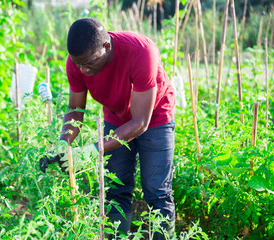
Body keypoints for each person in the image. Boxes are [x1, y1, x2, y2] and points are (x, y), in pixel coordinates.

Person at [41, 18, 176, 239]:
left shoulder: (141, 52)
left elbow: (141, 121)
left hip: (155, 118)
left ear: (107, 47)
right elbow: (75, 108)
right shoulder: (78, 62)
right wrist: (63, 142)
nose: (83, 69)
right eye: (78, 64)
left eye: (89, 62)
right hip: (116, 116)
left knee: (156, 191)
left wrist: (94, 150)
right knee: (116, 188)